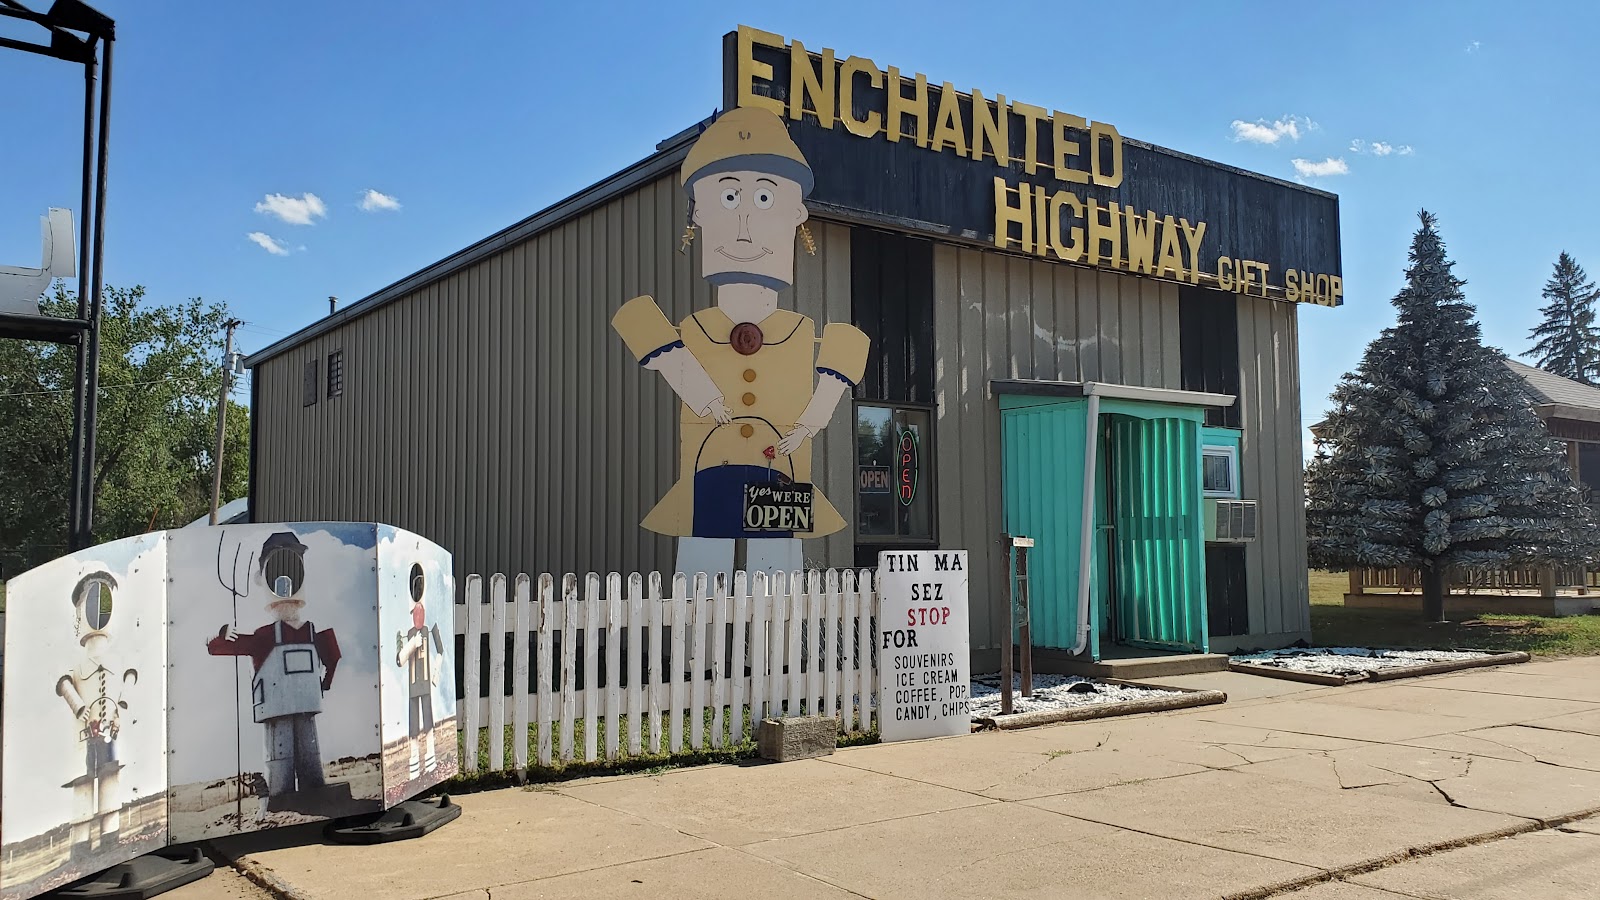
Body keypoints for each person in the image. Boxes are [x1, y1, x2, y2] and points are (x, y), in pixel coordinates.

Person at [612, 106, 869, 580]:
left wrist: (813, 417)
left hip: (782, 482)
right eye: (729, 197)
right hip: (709, 471)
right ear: (697, 212)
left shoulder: (801, 331)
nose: (746, 225)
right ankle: (700, 658)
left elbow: (848, 350)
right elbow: (639, 324)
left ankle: (777, 658)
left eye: (766, 198)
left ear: (798, 213)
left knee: (776, 582)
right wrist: (696, 385)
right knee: (701, 577)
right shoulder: (690, 330)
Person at [207, 532, 342, 812]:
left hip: (297, 704)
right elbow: (220, 647)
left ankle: (304, 794)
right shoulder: (278, 635)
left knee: (306, 752)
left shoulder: (293, 633)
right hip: (285, 707)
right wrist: (220, 635)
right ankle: (282, 797)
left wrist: (325, 683)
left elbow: (333, 655)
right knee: (285, 755)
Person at [56, 571, 137, 859]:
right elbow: (65, 685)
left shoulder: (119, 658)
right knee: (82, 784)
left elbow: (128, 682)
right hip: (83, 733)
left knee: (110, 780)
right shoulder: (75, 662)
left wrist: (118, 713)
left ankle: (110, 837)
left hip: (110, 731)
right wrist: (82, 710)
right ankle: (79, 847)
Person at [395, 564, 443, 779]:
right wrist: (411, 644)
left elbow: (440, 650)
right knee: (414, 722)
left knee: (428, 719)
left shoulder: (429, 629)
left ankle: (430, 754)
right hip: (413, 685)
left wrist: (435, 673)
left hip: (425, 683)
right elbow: (400, 660)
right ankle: (414, 757)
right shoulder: (408, 634)